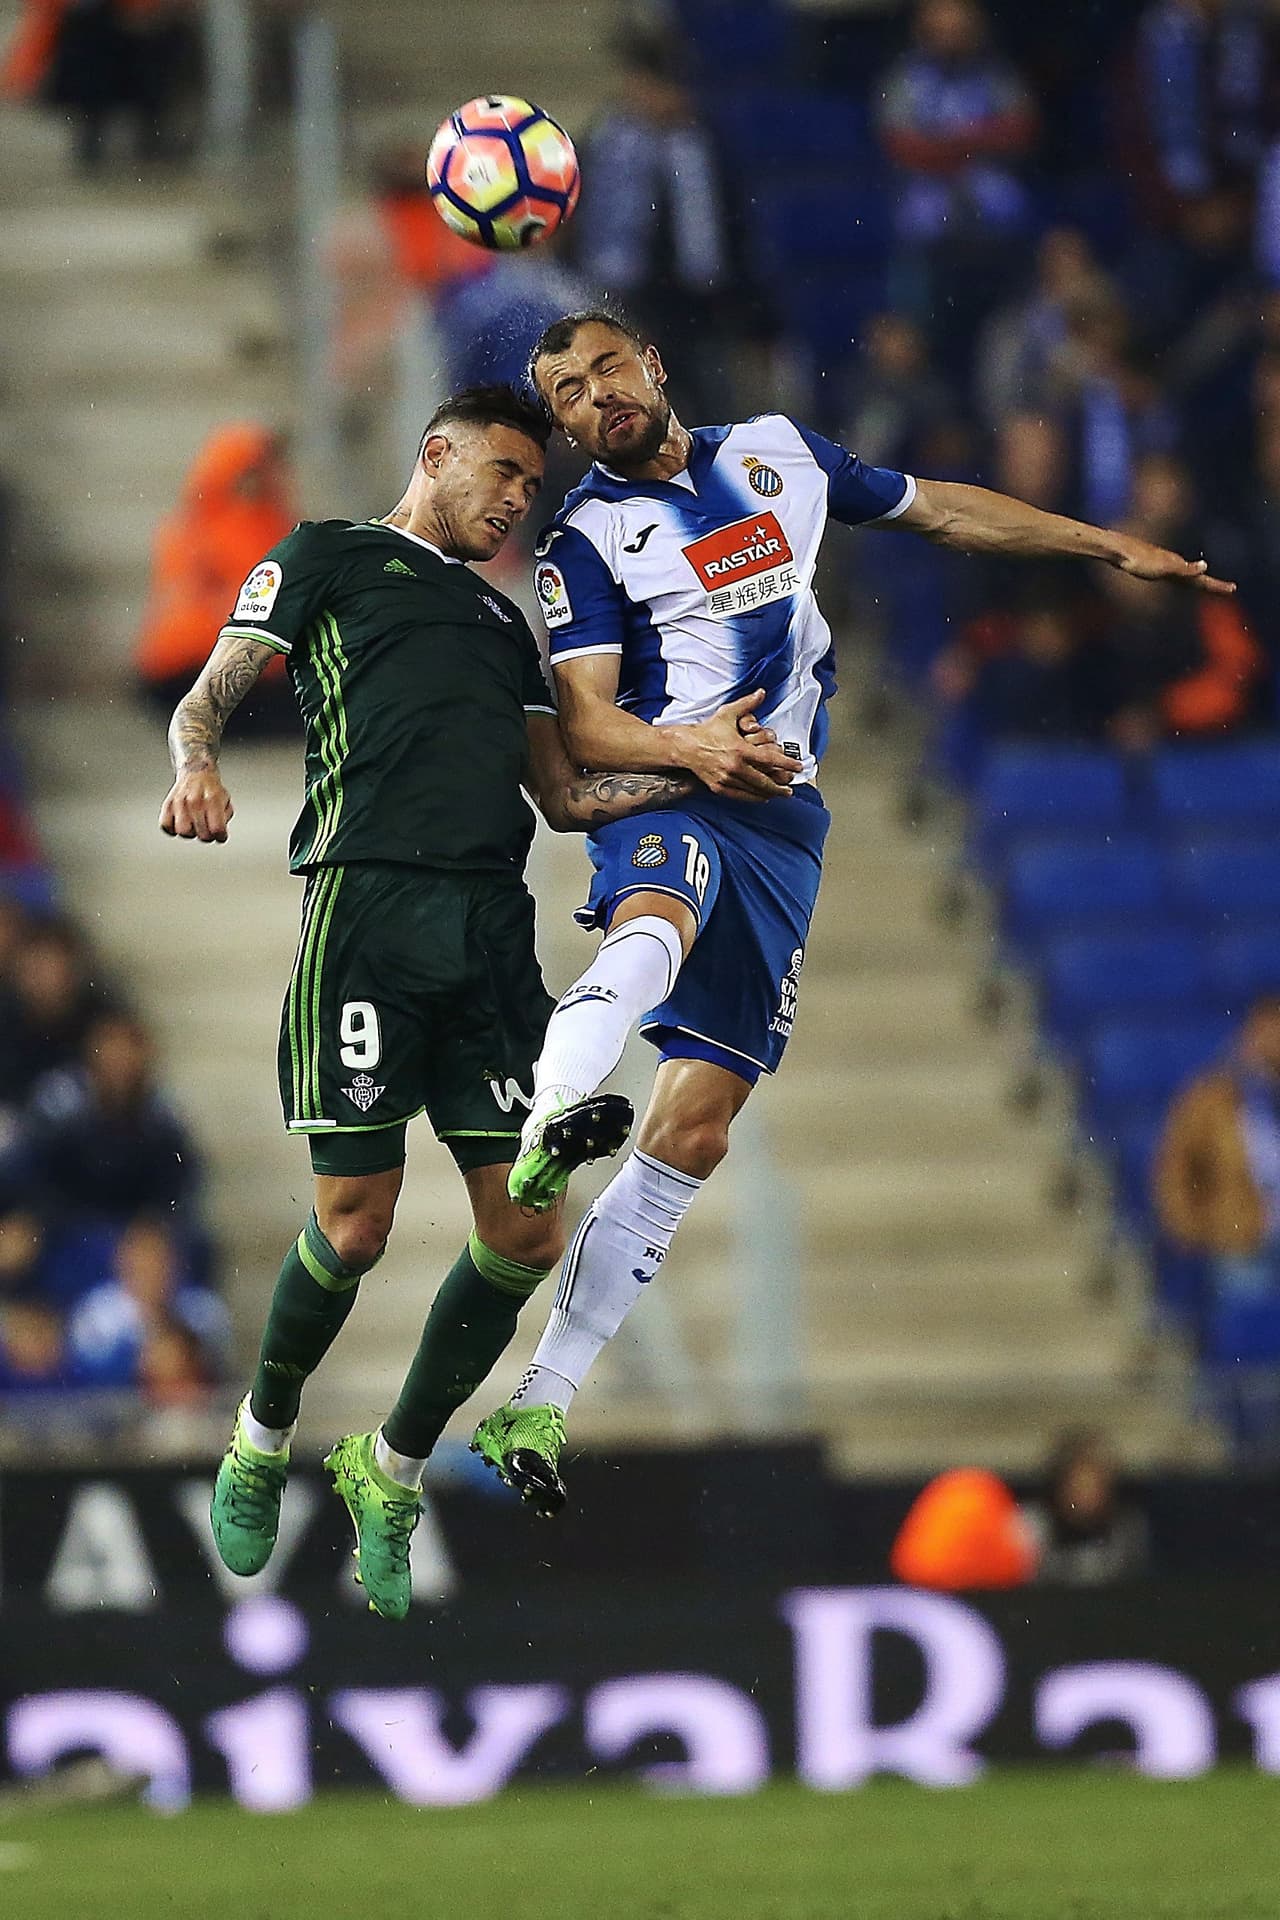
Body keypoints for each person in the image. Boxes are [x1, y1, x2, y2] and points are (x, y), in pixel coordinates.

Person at [468, 308, 1235, 1515]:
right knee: (654, 922)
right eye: (563, 391)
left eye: (605, 366)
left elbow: (944, 506)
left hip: (784, 819)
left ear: (654, 363)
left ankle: (542, 1398)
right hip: (675, 786)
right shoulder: (586, 538)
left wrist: (1099, 544)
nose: (591, 396)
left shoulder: (779, 450)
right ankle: (548, 1121)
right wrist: (691, 751)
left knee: (696, 1129)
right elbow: (586, 724)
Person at [158, 384, 774, 1619]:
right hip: (367, 913)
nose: (513, 501)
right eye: (499, 472)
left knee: (524, 1235)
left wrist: (699, 772)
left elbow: (563, 795)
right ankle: (260, 1434)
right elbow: (211, 689)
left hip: (489, 927)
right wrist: (197, 766)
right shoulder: (326, 556)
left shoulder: (507, 635)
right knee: (355, 1223)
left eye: (530, 488)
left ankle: (388, 1468)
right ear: (433, 454)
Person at [136, 424, 299, 738]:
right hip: (191, 665)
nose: (254, 484)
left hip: (241, 664)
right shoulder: (195, 531)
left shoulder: (273, 525)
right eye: (247, 474)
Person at [1156, 994, 1280, 1301]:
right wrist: (1198, 1230)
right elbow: (1174, 1171)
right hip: (1244, 1241)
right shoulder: (1210, 1100)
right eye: (1265, 1033)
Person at [1019, 1429, 1148, 1585]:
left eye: (1094, 1484)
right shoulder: (1031, 1529)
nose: (1085, 1494)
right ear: (1060, 1484)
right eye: (1078, 1484)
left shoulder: (1127, 1531)